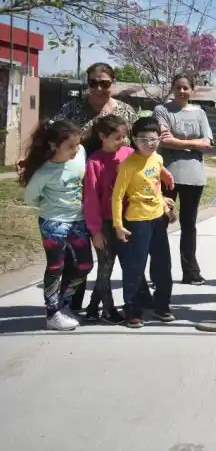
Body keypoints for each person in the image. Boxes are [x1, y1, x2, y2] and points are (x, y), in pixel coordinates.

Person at [21, 119, 93, 331]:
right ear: (54, 146)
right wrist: (50, 207)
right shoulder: (44, 172)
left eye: (77, 144)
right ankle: (52, 313)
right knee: (55, 266)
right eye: (70, 146)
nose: (75, 149)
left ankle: (64, 304)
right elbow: (30, 198)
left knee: (84, 265)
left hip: (78, 220)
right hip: (53, 222)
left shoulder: (80, 154)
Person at [111, 117, 176, 328]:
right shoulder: (128, 165)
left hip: (158, 219)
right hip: (137, 222)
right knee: (135, 268)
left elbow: (156, 187)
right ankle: (132, 311)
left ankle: (162, 305)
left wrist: (166, 209)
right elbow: (117, 197)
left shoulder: (157, 158)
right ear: (134, 141)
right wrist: (118, 225)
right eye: (144, 140)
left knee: (163, 266)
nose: (150, 143)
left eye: (154, 139)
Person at [153, 74, 214, 285]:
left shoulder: (200, 113)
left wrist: (184, 142)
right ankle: (159, 273)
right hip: (167, 174)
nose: (181, 91)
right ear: (172, 88)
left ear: (192, 90)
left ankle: (190, 271)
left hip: (194, 177)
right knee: (160, 222)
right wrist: (194, 144)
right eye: (178, 87)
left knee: (189, 226)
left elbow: (208, 142)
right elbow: (164, 140)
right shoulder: (162, 110)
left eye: (186, 88)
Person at [82, 115, 133, 324]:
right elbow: (91, 198)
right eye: (117, 137)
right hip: (104, 222)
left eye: (124, 136)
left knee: (115, 265)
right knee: (105, 266)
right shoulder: (94, 162)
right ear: (103, 136)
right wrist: (95, 231)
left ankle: (93, 308)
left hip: (126, 219)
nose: (123, 141)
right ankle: (108, 310)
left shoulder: (129, 154)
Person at [52, 62, 139, 153]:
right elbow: (52, 135)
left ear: (113, 83)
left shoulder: (127, 111)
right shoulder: (70, 108)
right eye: (93, 83)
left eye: (104, 83)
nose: (99, 89)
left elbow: (140, 142)